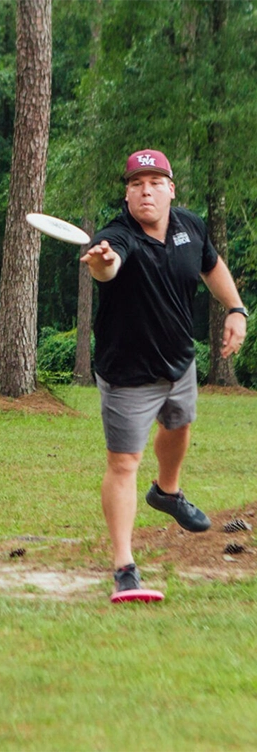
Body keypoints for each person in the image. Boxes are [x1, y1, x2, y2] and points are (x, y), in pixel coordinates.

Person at [80, 149, 248, 598]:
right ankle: (124, 567)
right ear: (127, 194)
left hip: (179, 361)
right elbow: (108, 268)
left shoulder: (190, 226)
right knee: (123, 464)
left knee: (179, 426)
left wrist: (235, 308)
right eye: (136, 184)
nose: (146, 191)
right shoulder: (117, 235)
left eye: (155, 182)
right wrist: (101, 262)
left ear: (171, 189)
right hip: (128, 373)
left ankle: (166, 492)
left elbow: (211, 265)